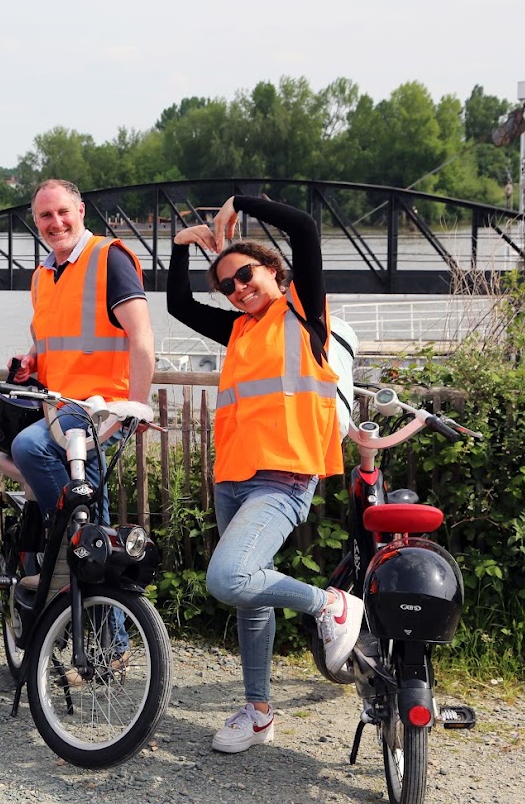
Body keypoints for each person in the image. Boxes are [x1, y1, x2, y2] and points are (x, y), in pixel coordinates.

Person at [166, 194, 365, 754]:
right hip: (233, 479)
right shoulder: (239, 331)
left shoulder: (305, 310)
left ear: (274, 271)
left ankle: (332, 605)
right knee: (251, 597)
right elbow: (178, 304)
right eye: (227, 285)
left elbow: (303, 227)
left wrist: (240, 204)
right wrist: (182, 247)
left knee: (227, 578)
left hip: (284, 477)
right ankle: (257, 711)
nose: (238, 289)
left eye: (246, 274)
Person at [9, 179, 155, 576]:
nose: (55, 222)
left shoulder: (109, 257)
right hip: (60, 406)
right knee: (95, 510)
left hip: (101, 407)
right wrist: (32, 359)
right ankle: (109, 626)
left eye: (62, 212)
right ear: (36, 221)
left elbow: (141, 337)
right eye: (45, 215)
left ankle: (69, 536)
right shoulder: (43, 275)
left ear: (81, 212)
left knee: (28, 448)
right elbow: (54, 338)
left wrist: (137, 408)